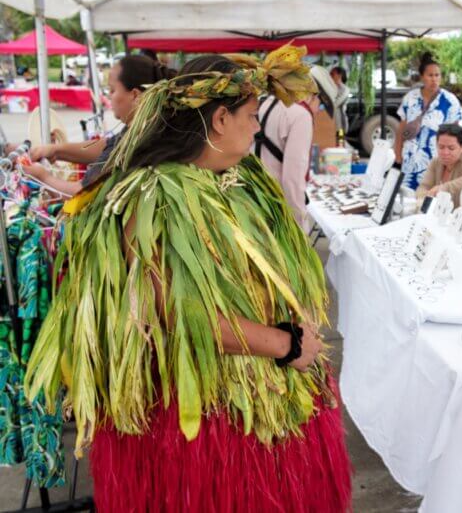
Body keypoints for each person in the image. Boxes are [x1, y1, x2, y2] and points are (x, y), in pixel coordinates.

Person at [24, 47, 351, 512]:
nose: (258, 127)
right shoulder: (153, 197)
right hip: (205, 422)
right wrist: (287, 346)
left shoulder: (231, 180)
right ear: (220, 119)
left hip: (263, 408)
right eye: (252, 115)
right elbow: (174, 311)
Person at [20, 55, 175, 195]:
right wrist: (57, 150)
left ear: (135, 95)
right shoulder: (148, 127)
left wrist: (42, 177)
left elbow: (80, 194)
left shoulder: (140, 140)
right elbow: (106, 146)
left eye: (112, 90)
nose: (109, 97)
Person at [255, 64, 338, 228]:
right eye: (321, 105)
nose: (317, 111)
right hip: (277, 208)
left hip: (254, 198)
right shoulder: (300, 115)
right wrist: (300, 225)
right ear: (314, 95)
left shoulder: (266, 102)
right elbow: (292, 179)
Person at [395, 52, 462, 190]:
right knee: (408, 200)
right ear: (422, 77)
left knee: (431, 202)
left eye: (437, 75)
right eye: (430, 75)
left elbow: (455, 138)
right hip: (409, 161)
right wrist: (398, 156)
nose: (434, 79)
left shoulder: (450, 101)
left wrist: (452, 165)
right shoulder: (410, 98)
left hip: (437, 163)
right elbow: (401, 130)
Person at [416, 124, 462, 207]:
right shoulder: (436, 162)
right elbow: (423, 187)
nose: (445, 153)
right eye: (441, 147)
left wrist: (446, 188)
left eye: (451, 148)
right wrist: (425, 197)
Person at [329, 66, 349, 134]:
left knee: (340, 141)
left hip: (339, 124)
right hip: (329, 123)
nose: (330, 76)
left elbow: (334, 104)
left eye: (332, 74)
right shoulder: (331, 87)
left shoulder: (344, 89)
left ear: (339, 75)